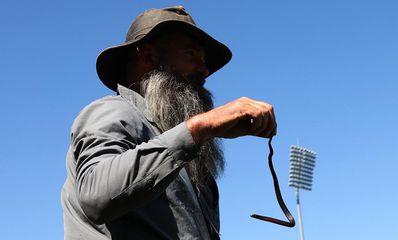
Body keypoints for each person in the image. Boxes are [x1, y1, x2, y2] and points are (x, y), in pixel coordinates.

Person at [61, 6, 276, 240]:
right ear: (149, 56)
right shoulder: (114, 111)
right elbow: (95, 196)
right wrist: (199, 127)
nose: (204, 70)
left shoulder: (181, 151)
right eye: (191, 54)